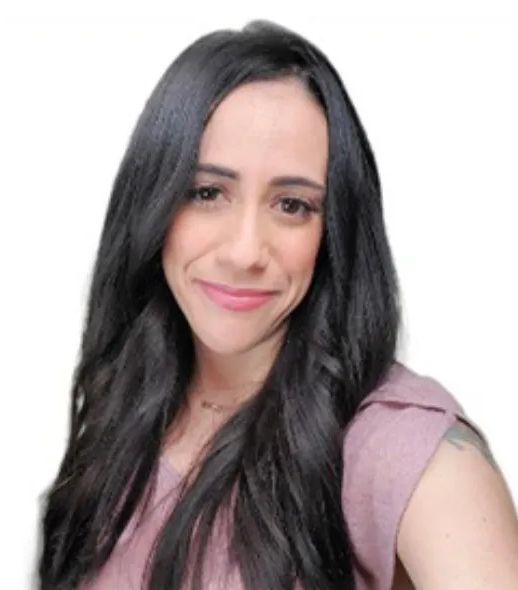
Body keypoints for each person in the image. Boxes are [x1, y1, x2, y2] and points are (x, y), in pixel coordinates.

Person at [37, 20, 518, 590]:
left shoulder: (401, 448)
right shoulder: (123, 414)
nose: (245, 252)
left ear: (333, 230)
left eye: (292, 205)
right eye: (207, 192)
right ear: (153, 204)